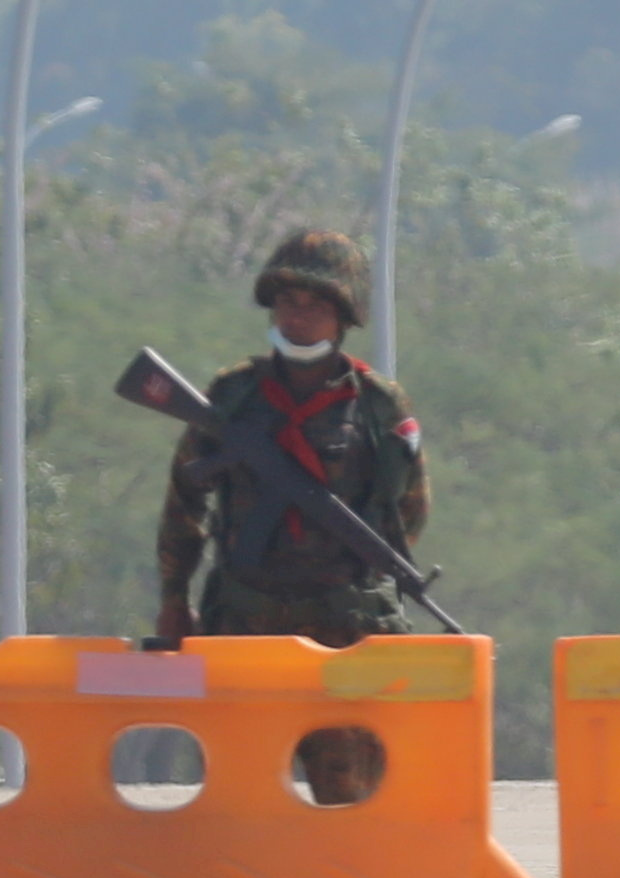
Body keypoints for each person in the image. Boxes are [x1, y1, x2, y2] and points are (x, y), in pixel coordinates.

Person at [153, 227, 430, 658]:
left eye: (317, 306)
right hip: (243, 626)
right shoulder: (234, 394)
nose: (298, 317)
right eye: (287, 302)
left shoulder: (378, 406)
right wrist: (174, 598)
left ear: (344, 316)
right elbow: (184, 499)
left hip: (348, 632)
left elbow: (408, 511)